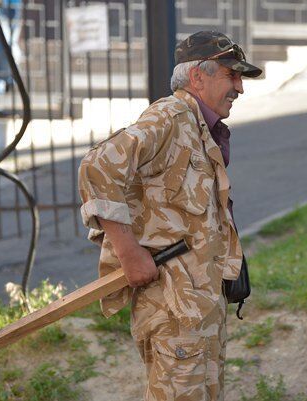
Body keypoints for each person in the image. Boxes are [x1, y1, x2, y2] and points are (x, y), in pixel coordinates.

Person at [78, 31, 261, 401]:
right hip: (173, 310)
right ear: (198, 77)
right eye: (232, 75)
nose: (239, 87)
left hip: (200, 305)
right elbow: (98, 167)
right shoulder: (170, 116)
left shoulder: (197, 125)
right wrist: (130, 254)